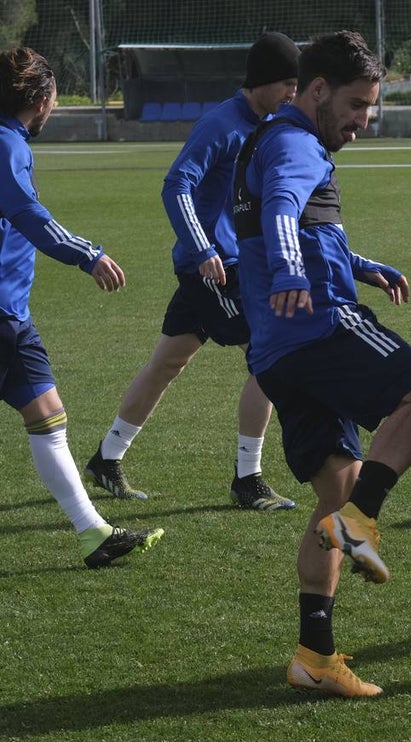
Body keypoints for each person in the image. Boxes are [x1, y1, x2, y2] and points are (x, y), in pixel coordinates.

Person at [233, 30, 411, 698]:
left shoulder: (275, 138)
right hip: (320, 328)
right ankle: (360, 521)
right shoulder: (295, 143)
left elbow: (298, 221)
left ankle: (314, 653)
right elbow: (280, 213)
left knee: (337, 485)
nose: (364, 120)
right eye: (358, 105)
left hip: (276, 352)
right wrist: (290, 270)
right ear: (319, 90)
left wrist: (361, 266)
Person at [85, 33, 301, 510]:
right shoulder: (222, 124)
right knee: (269, 355)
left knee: (167, 362)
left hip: (231, 263)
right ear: (263, 80)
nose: (292, 93)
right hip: (215, 268)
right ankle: (248, 479)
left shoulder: (269, 123)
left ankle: (106, 458)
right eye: (288, 83)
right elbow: (177, 184)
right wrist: (203, 247)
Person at [0, 47, 164, 568]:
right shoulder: (6, 144)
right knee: (47, 418)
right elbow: (26, 212)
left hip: (9, 314)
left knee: (47, 416)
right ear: (43, 99)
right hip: (1, 313)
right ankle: (92, 531)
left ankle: (93, 532)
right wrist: (86, 254)